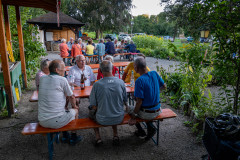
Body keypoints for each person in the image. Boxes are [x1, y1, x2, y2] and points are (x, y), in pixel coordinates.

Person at [38, 59, 81, 145]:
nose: (64, 70)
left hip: (42, 121)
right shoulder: (62, 80)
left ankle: (65, 134)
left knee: (64, 109)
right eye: (63, 68)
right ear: (56, 70)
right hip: (55, 121)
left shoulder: (42, 78)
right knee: (75, 110)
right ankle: (73, 136)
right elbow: (72, 96)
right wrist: (75, 107)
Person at [89, 60, 128, 146]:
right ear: (113, 69)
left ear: (100, 70)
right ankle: (115, 135)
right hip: (119, 117)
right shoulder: (121, 82)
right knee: (113, 106)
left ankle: (98, 138)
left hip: (102, 119)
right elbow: (125, 100)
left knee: (91, 113)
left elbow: (93, 105)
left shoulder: (97, 85)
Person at [128, 57, 166, 140]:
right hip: (158, 109)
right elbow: (164, 86)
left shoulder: (139, 80)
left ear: (136, 68)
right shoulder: (154, 73)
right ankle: (150, 126)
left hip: (147, 113)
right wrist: (152, 92)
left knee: (129, 109)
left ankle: (141, 130)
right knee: (141, 106)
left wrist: (133, 117)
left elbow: (139, 102)